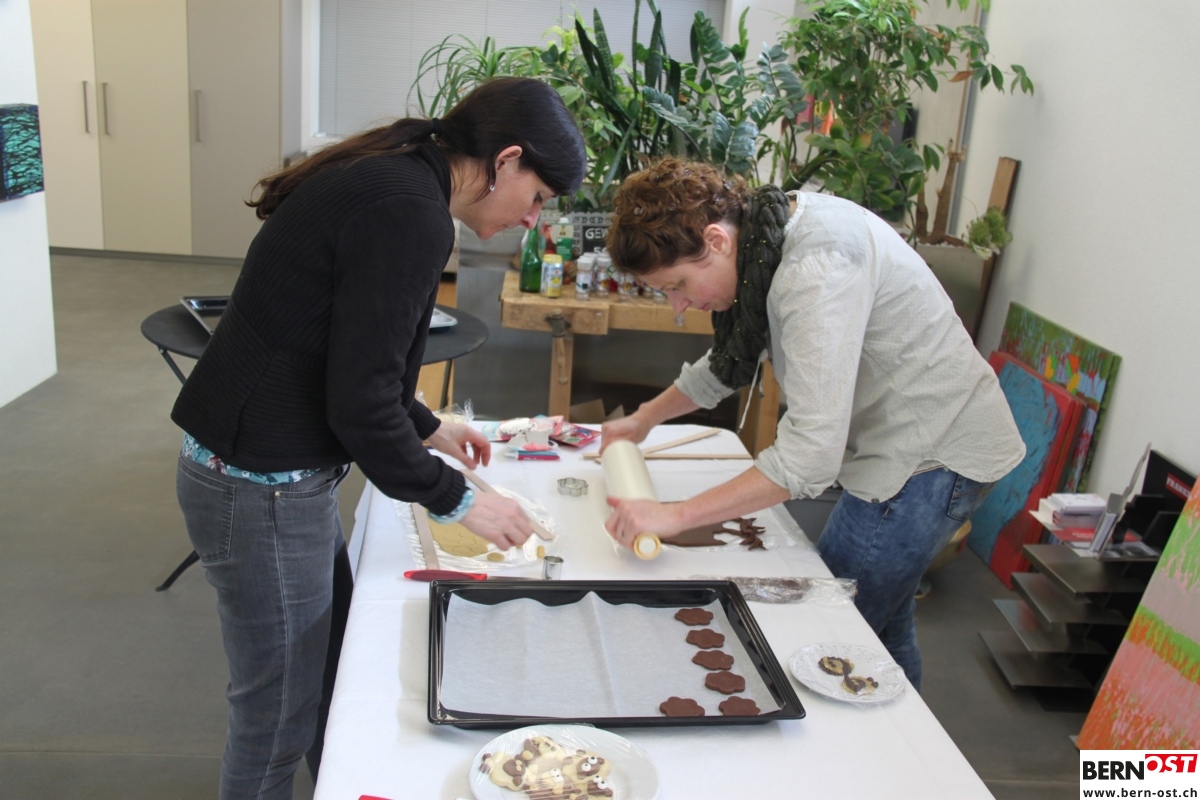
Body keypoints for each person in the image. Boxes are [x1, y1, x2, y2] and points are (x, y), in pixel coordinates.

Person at [171, 77, 586, 799]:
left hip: (263, 475)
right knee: (276, 720)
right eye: (538, 197)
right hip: (257, 486)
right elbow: (360, 406)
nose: (532, 219)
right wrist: (461, 500)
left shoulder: (401, 177)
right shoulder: (410, 210)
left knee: (325, 674)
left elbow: (353, 351)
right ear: (507, 160)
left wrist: (429, 426)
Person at [600, 158, 1025, 692]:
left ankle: (868, 739)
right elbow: (728, 361)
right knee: (884, 628)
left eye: (679, 285)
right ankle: (895, 736)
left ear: (716, 240)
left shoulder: (814, 271)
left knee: (830, 630)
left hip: (931, 456)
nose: (680, 307)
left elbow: (809, 456)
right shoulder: (765, 238)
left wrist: (675, 515)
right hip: (907, 441)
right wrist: (643, 420)